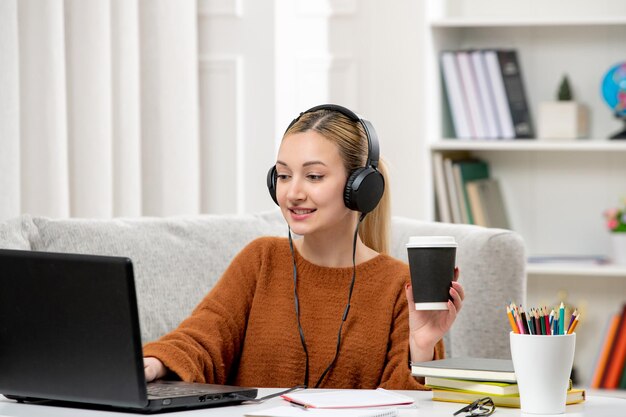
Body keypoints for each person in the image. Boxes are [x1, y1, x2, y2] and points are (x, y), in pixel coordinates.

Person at [143, 104, 464, 390]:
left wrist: (421, 350)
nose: (293, 192)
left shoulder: (400, 285)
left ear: (361, 187)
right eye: (283, 175)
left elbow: (405, 409)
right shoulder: (261, 260)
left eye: (313, 176)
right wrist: (154, 363)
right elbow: (201, 340)